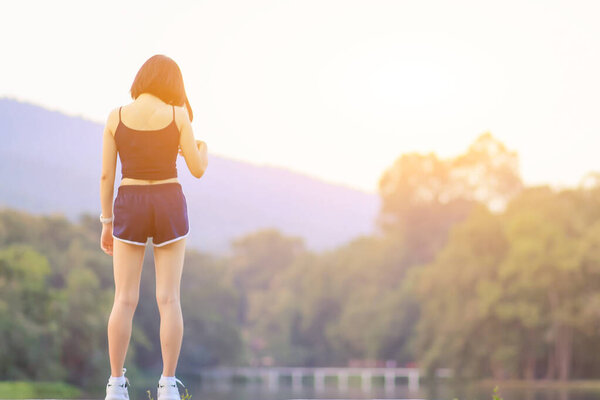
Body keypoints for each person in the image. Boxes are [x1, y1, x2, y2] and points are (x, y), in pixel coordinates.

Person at [99, 54, 208, 400]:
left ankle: (116, 385)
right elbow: (197, 168)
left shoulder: (116, 117)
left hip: (129, 201)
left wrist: (106, 221)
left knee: (124, 299)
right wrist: (204, 149)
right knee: (169, 298)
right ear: (173, 84)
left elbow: (106, 175)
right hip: (168, 201)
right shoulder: (178, 116)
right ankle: (168, 385)